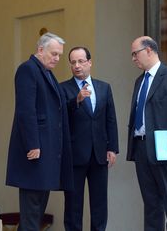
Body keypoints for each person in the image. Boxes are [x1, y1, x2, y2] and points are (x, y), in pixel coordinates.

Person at [6, 32, 73, 231]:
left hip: (46, 153)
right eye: (54, 54)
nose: (57, 59)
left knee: (36, 211)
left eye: (59, 55)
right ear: (40, 49)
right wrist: (33, 144)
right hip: (35, 152)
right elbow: (26, 110)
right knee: (32, 211)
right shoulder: (27, 70)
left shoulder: (46, 73)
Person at [126, 36, 167, 231]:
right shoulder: (139, 81)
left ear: (149, 51)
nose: (133, 59)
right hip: (141, 147)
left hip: (165, 149)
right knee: (151, 204)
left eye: (135, 54)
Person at [61, 46, 119, 231]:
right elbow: (60, 118)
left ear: (90, 62)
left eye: (81, 61)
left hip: (99, 154)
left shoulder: (104, 87)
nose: (77, 66)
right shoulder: (63, 88)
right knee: (73, 205)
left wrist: (112, 148)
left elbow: (110, 119)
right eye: (73, 62)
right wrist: (76, 100)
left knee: (100, 203)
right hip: (74, 155)